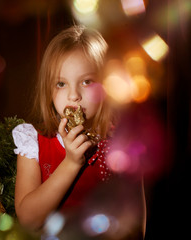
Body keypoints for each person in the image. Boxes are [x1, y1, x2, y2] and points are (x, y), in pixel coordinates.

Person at [12, 25, 146, 236]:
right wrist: (71, 163)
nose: (74, 95)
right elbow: (29, 220)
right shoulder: (33, 140)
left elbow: (135, 219)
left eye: (86, 81)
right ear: (48, 89)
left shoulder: (121, 143)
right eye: (61, 83)